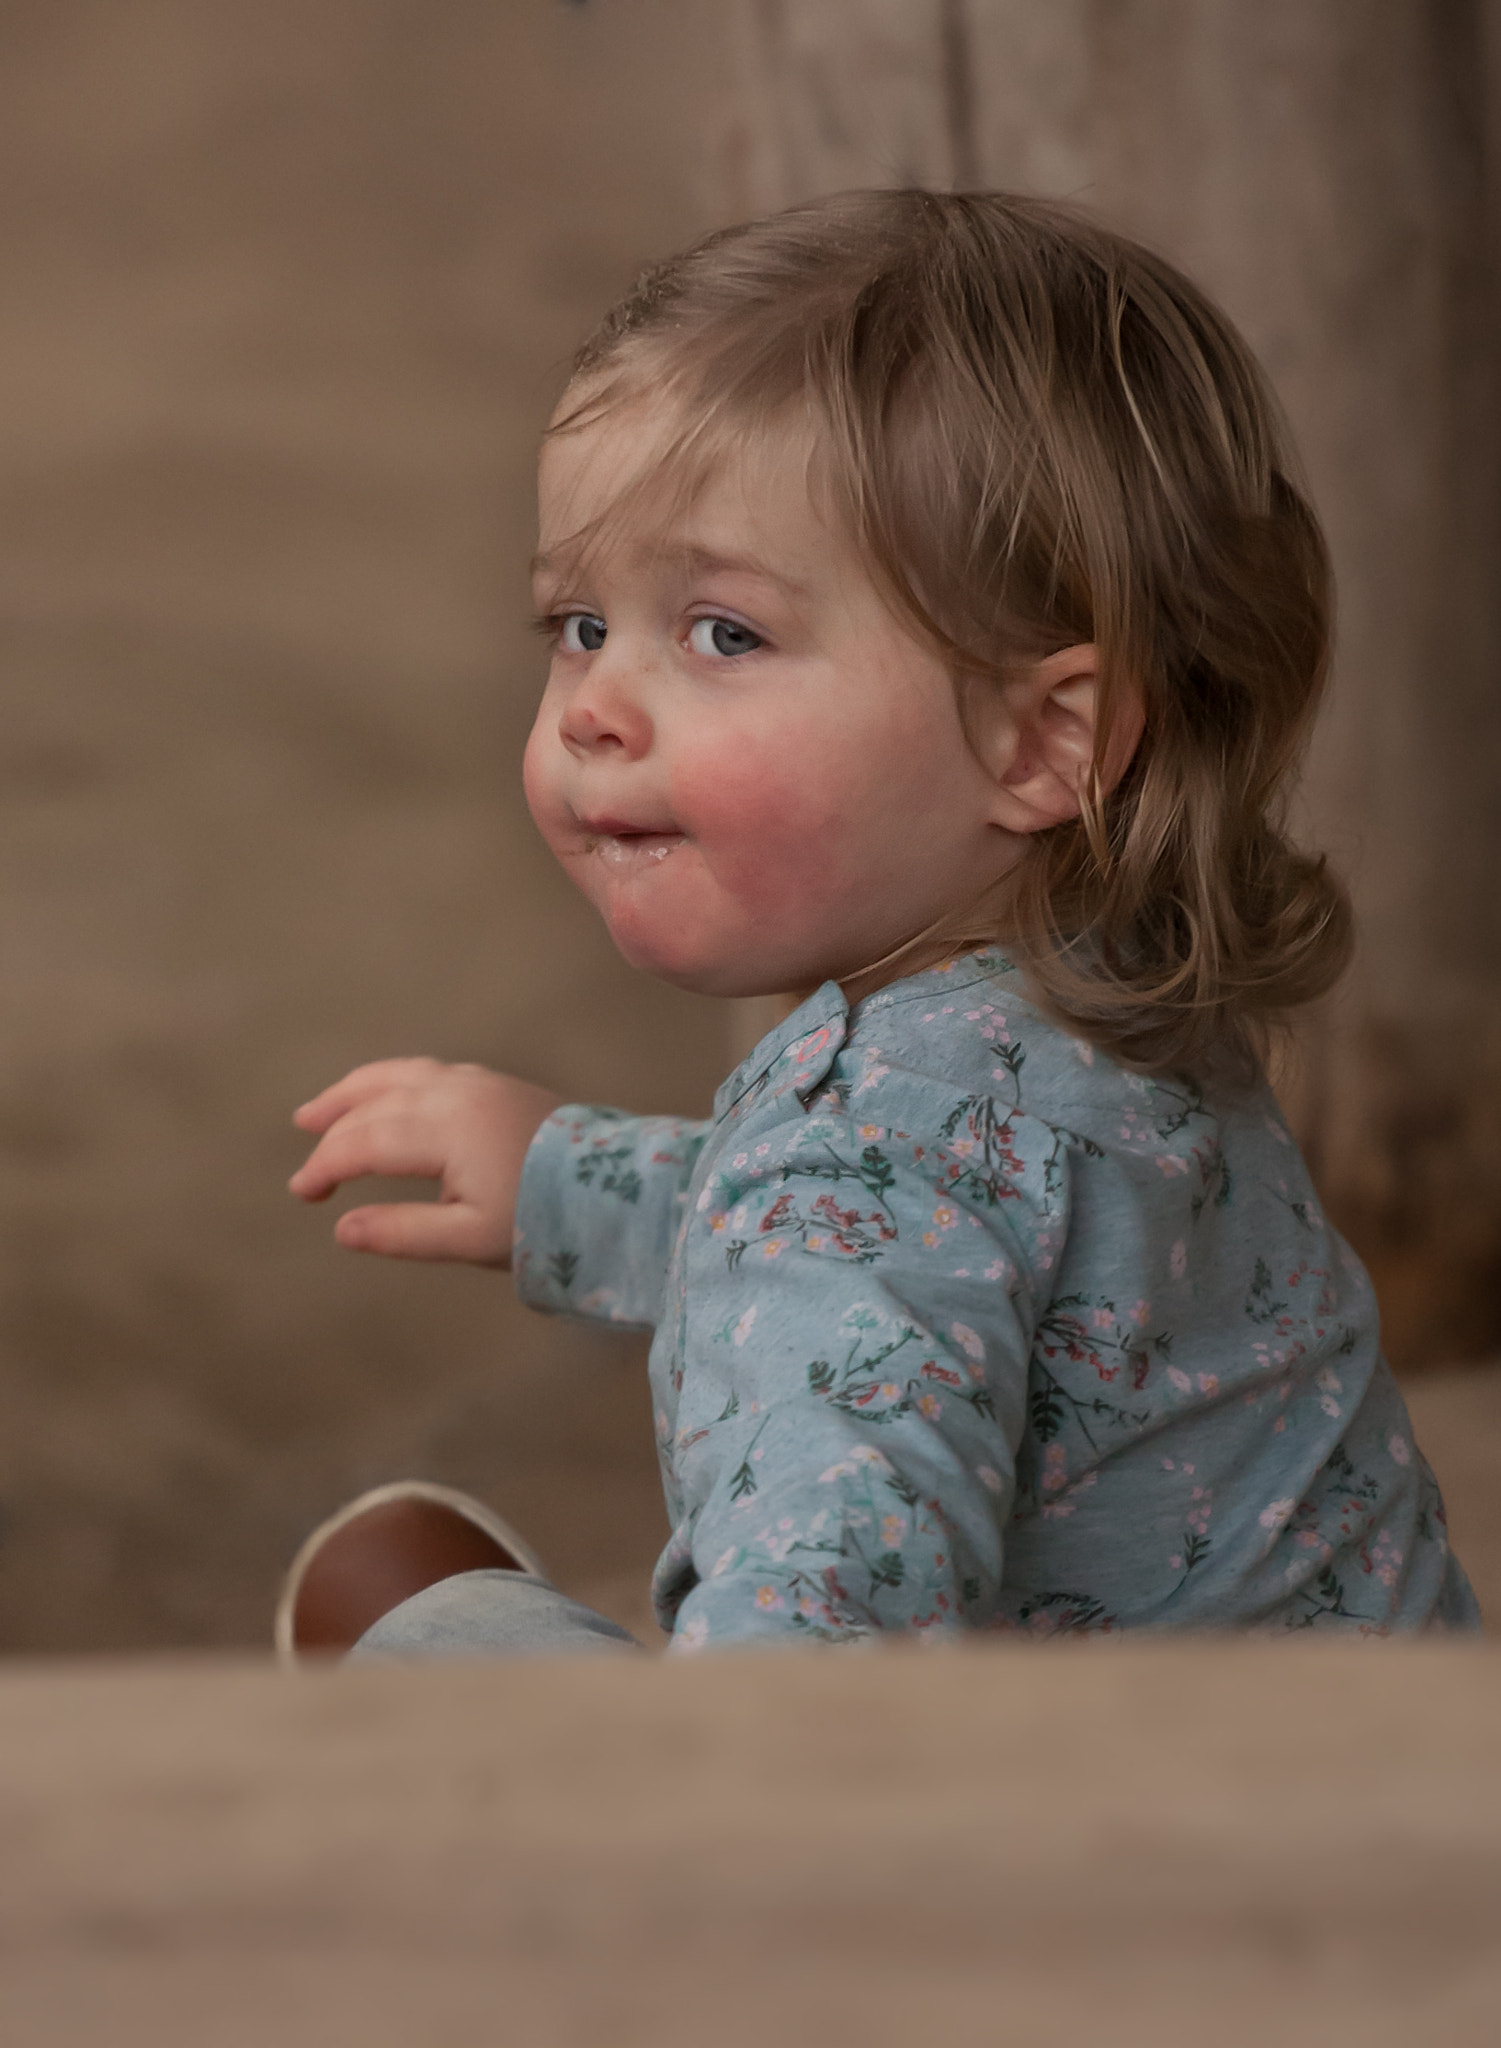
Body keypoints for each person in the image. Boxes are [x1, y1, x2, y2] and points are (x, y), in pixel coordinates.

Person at [284, 189, 1478, 1659]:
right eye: (579, 624)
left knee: (424, 1631)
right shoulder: (1114, 995)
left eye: (723, 633)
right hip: (1395, 1762)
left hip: (1067, 1862)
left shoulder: (865, 1143)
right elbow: (937, 1251)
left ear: (1042, 742)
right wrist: (566, 1180)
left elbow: (816, 1688)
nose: (594, 707)